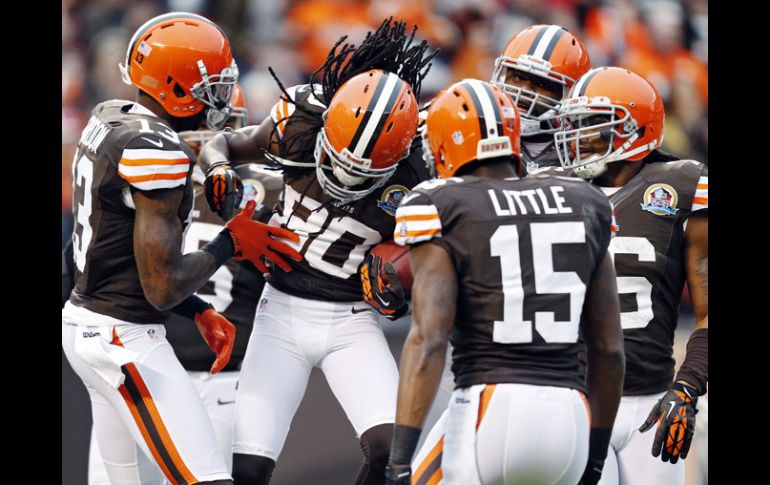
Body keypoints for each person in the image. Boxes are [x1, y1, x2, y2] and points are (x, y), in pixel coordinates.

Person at [61, 12, 301, 485]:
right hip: (123, 338)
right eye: (210, 87)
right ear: (175, 87)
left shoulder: (109, 118)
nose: (217, 100)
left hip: (85, 323)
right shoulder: (159, 151)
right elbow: (162, 287)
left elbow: (121, 255)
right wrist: (230, 242)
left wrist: (196, 310)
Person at [198, 18, 436, 484]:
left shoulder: (420, 165)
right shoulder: (303, 116)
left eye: (364, 174)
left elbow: (433, 259)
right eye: (340, 159)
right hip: (279, 313)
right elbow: (222, 142)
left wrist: (401, 289)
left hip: (352, 320)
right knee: (245, 467)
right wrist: (218, 168)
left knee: (392, 455)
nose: (346, 178)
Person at [384, 78, 626, 485]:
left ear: (446, 145)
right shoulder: (584, 200)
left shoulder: (440, 203)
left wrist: (398, 460)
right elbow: (609, 349)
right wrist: (596, 456)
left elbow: (428, 340)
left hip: (489, 409)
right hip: (569, 419)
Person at [553, 66, 708, 485]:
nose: (577, 137)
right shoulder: (552, 190)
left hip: (653, 404)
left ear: (634, 131)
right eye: (574, 124)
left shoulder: (683, 186)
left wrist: (688, 387)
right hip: (573, 401)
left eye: (591, 126)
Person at [491, 24, 591, 172]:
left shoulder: (581, 153)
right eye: (518, 77)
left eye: (542, 84)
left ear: (570, 95)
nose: (525, 91)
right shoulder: (478, 135)